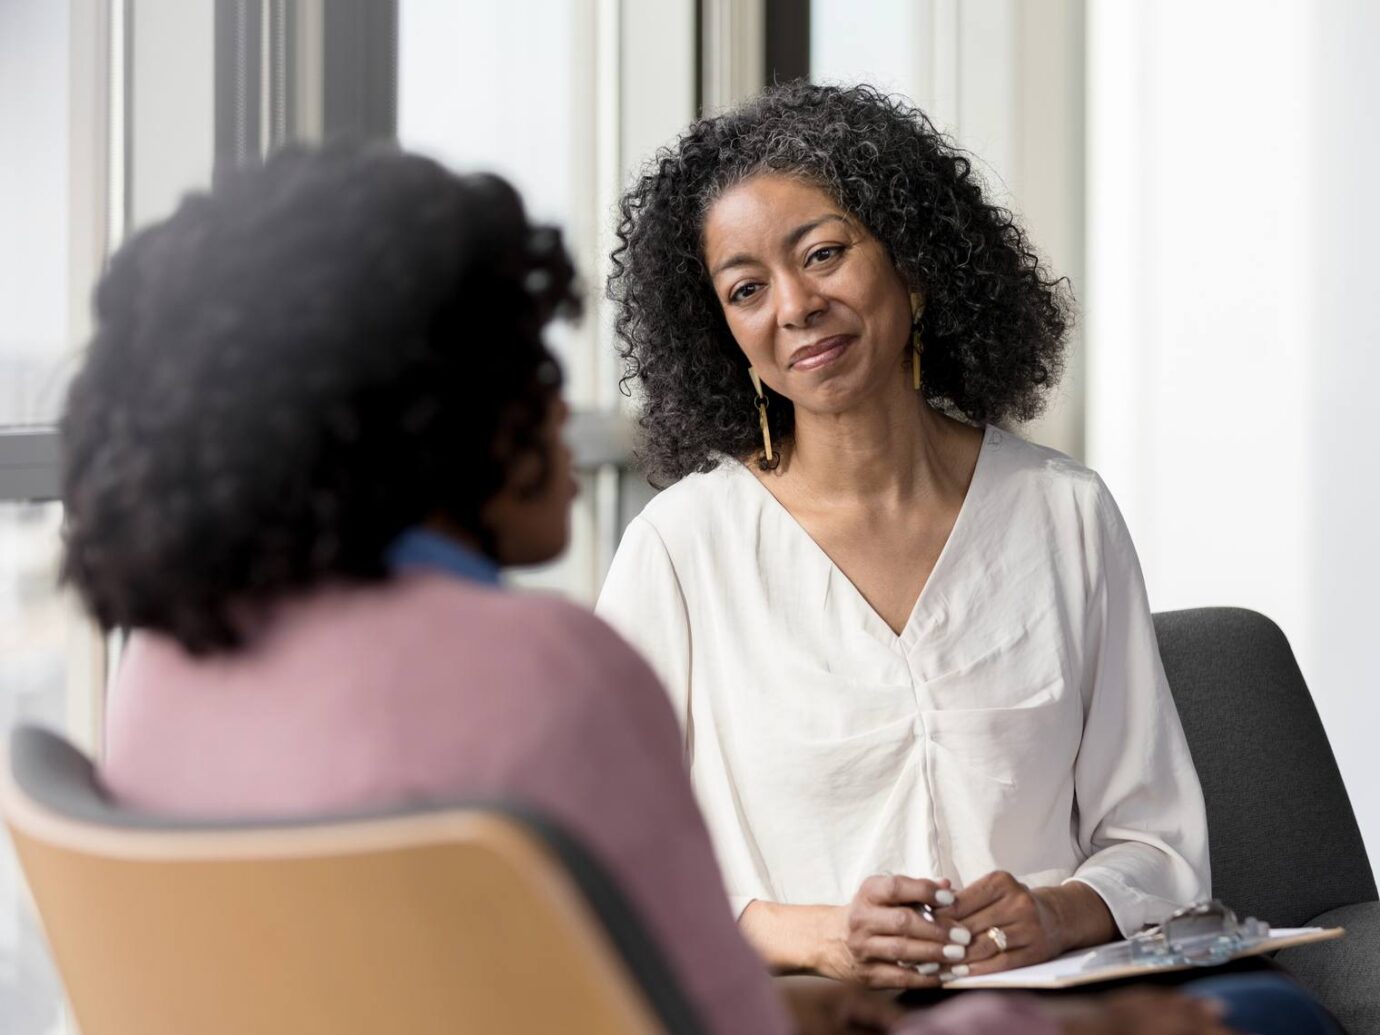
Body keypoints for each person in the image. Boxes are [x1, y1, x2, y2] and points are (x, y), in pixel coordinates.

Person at [59, 142, 1307, 1035]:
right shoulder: (550, 663)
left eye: (826, 254)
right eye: (521, 364)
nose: (565, 405)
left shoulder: (166, 676)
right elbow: (680, 990)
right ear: (422, 414)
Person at [596, 80, 1209, 987]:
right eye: (746, 288)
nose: (796, 305)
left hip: (1051, 1011)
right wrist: (817, 936)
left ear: (913, 265)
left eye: (826, 253)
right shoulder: (681, 550)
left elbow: (1156, 841)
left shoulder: (1065, 514)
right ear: (721, 330)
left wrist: (1057, 911)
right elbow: (607, 861)